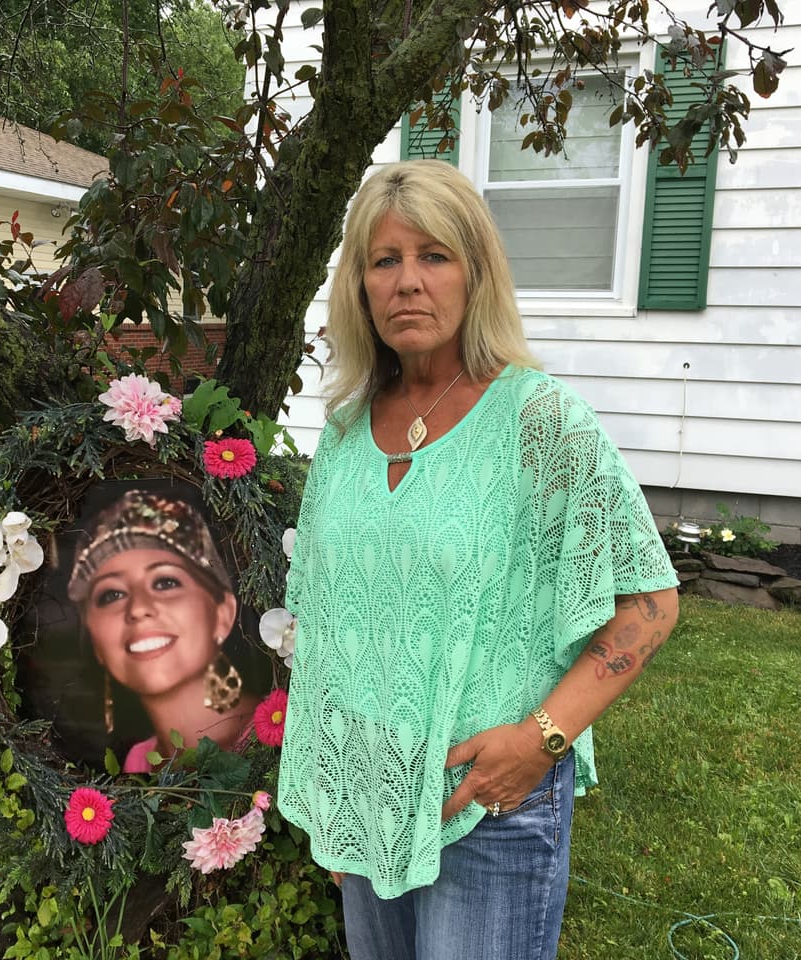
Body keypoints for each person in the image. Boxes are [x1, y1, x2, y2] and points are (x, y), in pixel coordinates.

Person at [277, 160, 680, 960]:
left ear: (476, 274)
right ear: (360, 287)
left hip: (491, 803)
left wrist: (540, 739)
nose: (408, 281)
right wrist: (337, 798)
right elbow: (325, 624)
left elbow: (650, 602)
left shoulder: (541, 421)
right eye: (384, 260)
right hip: (371, 793)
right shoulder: (347, 434)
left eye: (434, 256)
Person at [67, 489, 259, 772]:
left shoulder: (285, 735)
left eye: (165, 582)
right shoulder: (138, 763)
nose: (137, 608)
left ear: (223, 613)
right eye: (111, 595)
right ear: (96, 643)